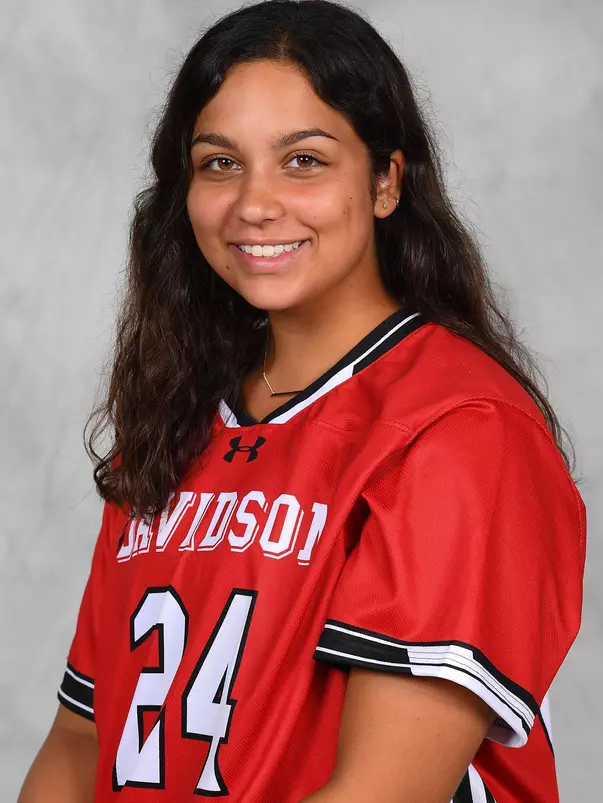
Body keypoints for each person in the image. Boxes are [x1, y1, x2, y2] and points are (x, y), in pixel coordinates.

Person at [18, 1, 586, 801]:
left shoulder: (457, 427)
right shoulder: (167, 431)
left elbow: (382, 790)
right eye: (220, 163)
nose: (254, 203)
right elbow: (79, 745)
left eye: (303, 161)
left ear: (386, 180)